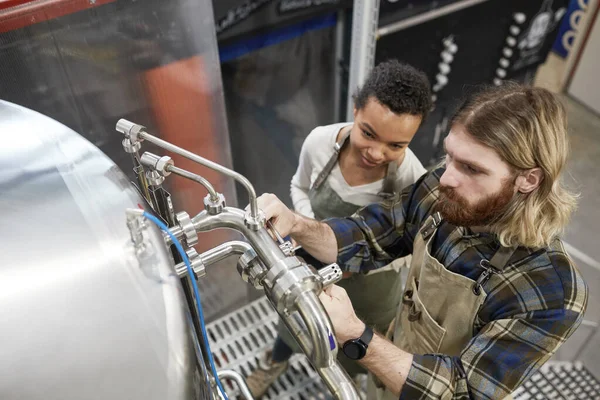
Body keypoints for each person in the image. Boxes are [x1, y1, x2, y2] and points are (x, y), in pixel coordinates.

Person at [256, 84, 589, 399]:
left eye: (472, 168)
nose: (446, 179)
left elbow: (464, 390)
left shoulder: (550, 291)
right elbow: (369, 235)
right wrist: (296, 224)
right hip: (387, 372)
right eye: (450, 157)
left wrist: (355, 335)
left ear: (529, 180)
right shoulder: (441, 192)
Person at [246, 60, 432, 397]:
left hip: (372, 288)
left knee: (353, 350)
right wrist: (303, 227)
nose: (376, 153)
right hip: (311, 262)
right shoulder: (320, 142)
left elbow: (411, 247)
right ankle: (274, 362)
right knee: (293, 325)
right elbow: (299, 186)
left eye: (396, 145)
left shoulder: (410, 177)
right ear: (356, 109)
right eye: (368, 133)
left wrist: (353, 267)